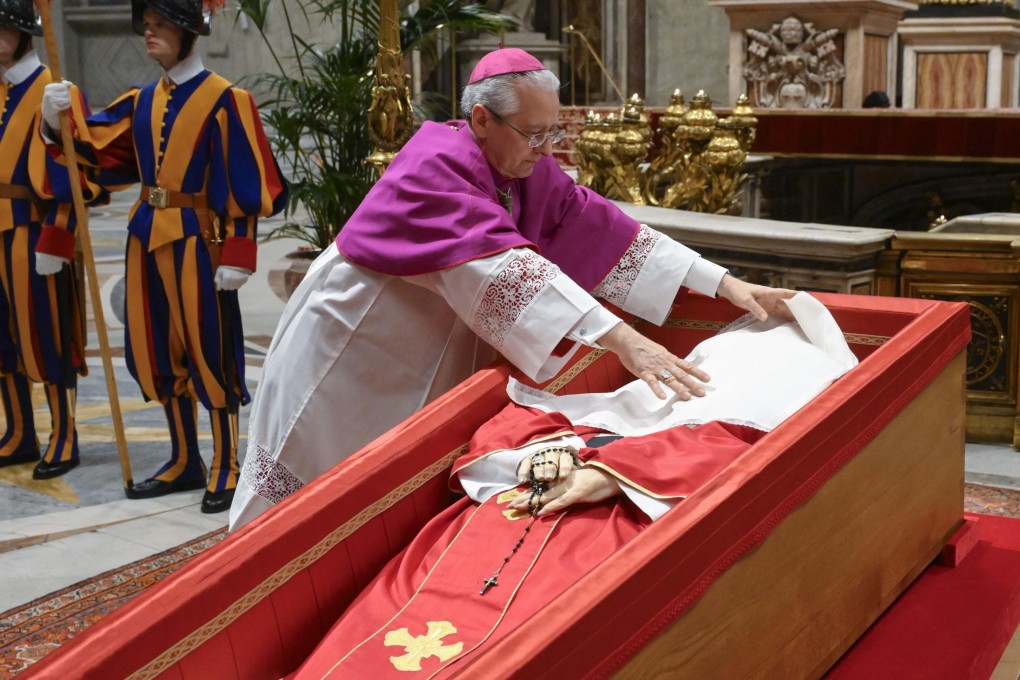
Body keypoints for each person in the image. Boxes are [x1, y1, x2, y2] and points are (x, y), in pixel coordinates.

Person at [228, 46, 794, 531]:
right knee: (294, 499)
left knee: (379, 497)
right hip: (348, 357)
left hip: (418, 357)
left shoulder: (521, 167)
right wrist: (625, 341)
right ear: (481, 120)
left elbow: (604, 229)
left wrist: (724, 282)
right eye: (534, 134)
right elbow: (506, 271)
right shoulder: (433, 167)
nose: (547, 148)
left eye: (554, 133)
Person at [287, 292, 858, 677]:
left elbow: (733, 464)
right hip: (517, 506)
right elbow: (525, 420)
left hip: (617, 521)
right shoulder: (653, 392)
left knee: (532, 623)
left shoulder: (766, 414)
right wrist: (546, 452)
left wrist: (609, 475)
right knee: (410, 603)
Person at [40, 0, 288, 512]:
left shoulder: (226, 99)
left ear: (187, 30)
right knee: (156, 351)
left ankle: (226, 462)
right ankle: (183, 460)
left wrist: (239, 249)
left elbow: (245, 176)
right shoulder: (142, 99)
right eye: (146, 26)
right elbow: (100, 155)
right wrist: (54, 121)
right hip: (144, 238)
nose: (148, 34)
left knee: (210, 352)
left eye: (159, 25)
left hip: (199, 241)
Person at [0, 0, 100, 479]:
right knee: (3, 338)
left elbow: (76, 175)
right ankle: (19, 431)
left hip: (34, 230)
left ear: (23, 32)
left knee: (49, 335)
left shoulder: (56, 90)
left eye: (3, 27)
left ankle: (64, 433)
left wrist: (57, 240)